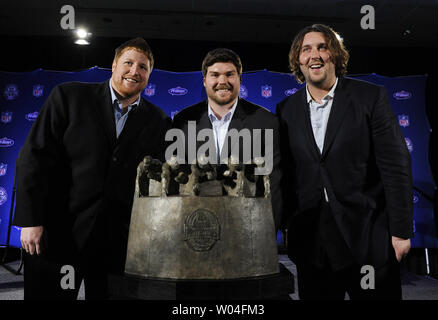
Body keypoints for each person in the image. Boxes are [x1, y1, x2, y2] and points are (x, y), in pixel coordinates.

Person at [13, 37, 171, 300]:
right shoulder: (69, 96)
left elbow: (155, 180)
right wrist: (31, 220)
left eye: (143, 67)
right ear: (114, 65)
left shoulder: (159, 120)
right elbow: (33, 158)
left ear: (149, 75)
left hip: (116, 245)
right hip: (57, 235)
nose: (135, 71)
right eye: (128, 63)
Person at [276, 24, 413, 300]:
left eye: (322, 47)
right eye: (306, 49)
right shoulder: (286, 110)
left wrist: (400, 232)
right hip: (313, 243)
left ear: (335, 55)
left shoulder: (370, 97)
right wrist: (288, 227)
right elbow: (288, 175)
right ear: (298, 60)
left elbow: (395, 166)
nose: (314, 54)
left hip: (367, 237)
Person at [172, 48, 282, 230]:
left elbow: (274, 183)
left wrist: (269, 230)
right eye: (215, 75)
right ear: (205, 81)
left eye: (229, 74)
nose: (222, 81)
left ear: (239, 79)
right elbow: (177, 180)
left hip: (248, 227)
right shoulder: (183, 121)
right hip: (194, 227)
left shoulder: (266, 121)